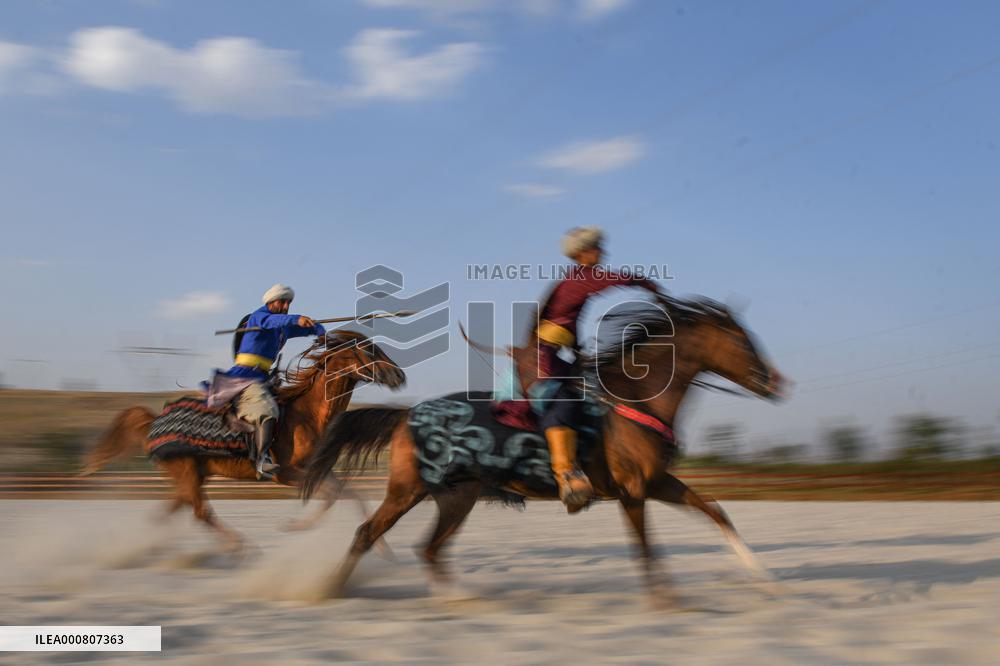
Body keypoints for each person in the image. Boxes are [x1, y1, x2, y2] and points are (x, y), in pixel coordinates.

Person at [534, 227, 661, 511]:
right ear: (581, 254)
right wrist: (645, 283)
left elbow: (565, 322)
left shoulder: (575, 282)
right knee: (566, 401)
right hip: (543, 356)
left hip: (555, 352)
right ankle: (565, 475)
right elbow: (613, 279)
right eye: (596, 248)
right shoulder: (581, 278)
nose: (602, 252)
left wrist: (577, 349)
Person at [213, 284, 325, 479]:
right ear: (270, 302)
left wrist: (320, 330)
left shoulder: (281, 328)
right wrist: (296, 318)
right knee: (267, 411)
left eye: (288, 303)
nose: (285, 306)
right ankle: (262, 460)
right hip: (245, 376)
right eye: (282, 302)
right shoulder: (258, 317)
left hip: (265, 377)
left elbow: (302, 328)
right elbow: (274, 321)